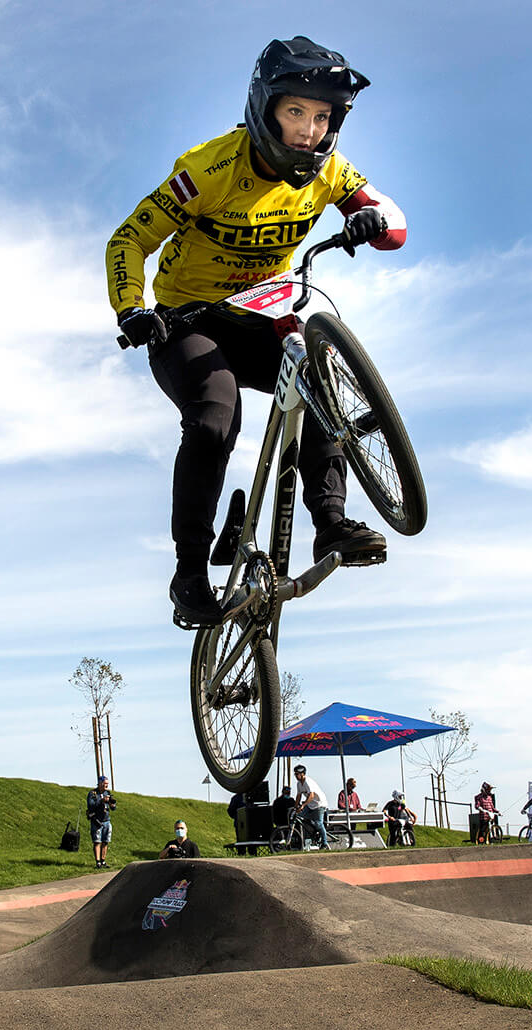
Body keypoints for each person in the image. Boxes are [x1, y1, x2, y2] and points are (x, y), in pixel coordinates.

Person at [105, 36, 409, 628]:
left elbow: (394, 223)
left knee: (320, 384)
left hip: (263, 315)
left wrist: (376, 222)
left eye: (322, 117)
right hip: (187, 319)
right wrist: (130, 308)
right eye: (295, 111)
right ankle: (190, 572)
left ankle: (331, 524)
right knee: (217, 415)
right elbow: (128, 240)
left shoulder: (329, 173)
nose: (308, 130)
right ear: (265, 106)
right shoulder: (208, 169)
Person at [292, 763, 330, 850]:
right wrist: (295, 807)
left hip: (319, 804)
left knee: (318, 823)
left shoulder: (307, 782)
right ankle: (315, 831)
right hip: (310, 804)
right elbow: (299, 795)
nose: (296, 776)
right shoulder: (299, 784)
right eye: (295, 774)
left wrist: (303, 805)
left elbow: (311, 795)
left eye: (297, 774)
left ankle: (324, 843)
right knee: (300, 816)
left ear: (302, 774)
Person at [85, 776, 116, 867]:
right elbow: (91, 805)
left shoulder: (108, 793)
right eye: (105, 783)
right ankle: (98, 862)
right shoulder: (93, 793)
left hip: (106, 820)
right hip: (97, 820)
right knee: (97, 841)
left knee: (106, 841)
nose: (106, 785)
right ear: (100, 783)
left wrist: (112, 805)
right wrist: (101, 800)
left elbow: (113, 807)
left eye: (107, 784)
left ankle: (103, 860)